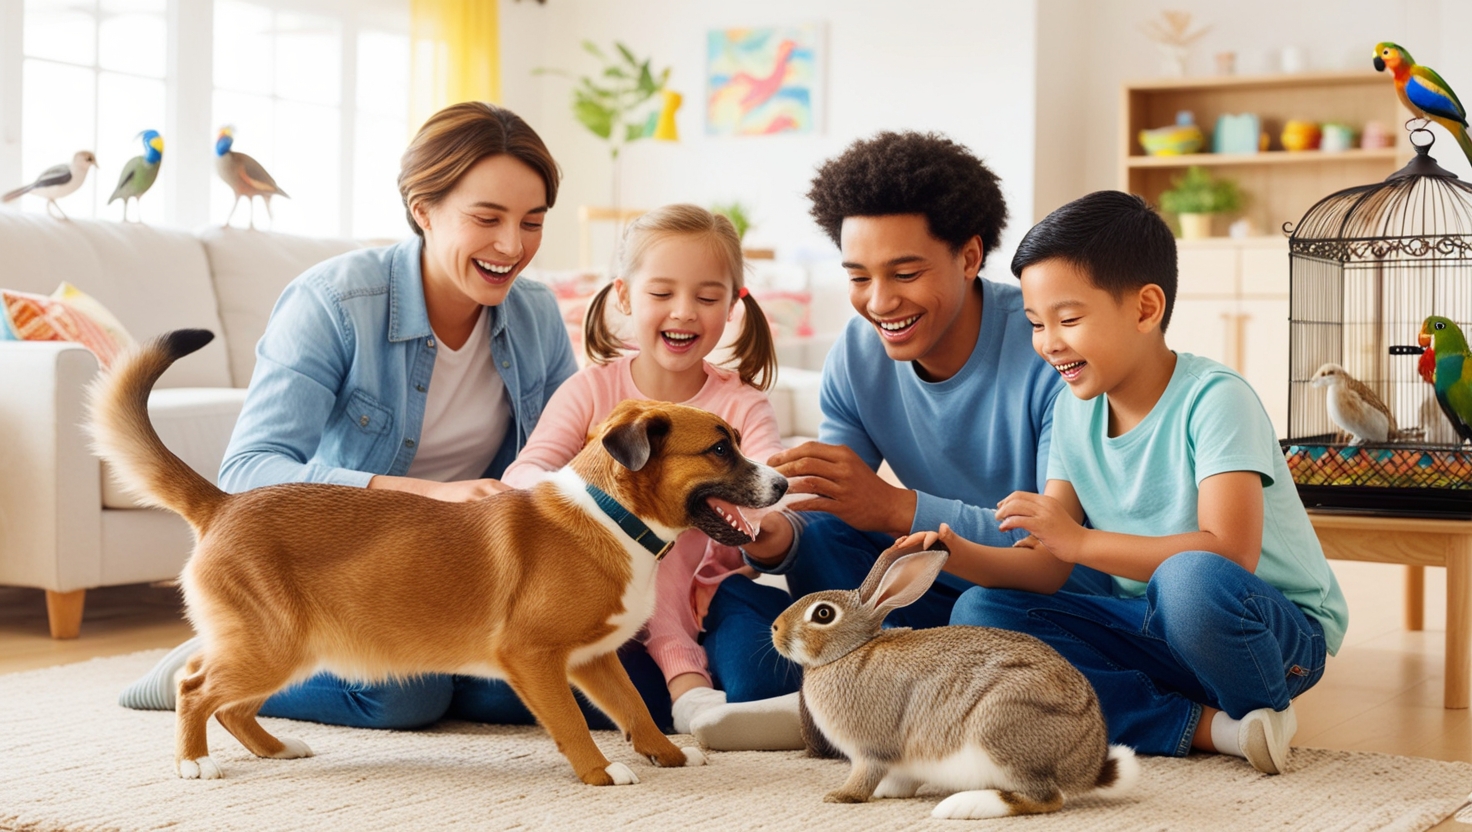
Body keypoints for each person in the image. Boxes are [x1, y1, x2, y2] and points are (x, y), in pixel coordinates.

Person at [118, 101, 589, 728]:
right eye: (487, 218)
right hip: (347, 577)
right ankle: (212, 669)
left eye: (532, 222)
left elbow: (569, 454)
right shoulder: (334, 301)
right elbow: (248, 471)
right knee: (402, 697)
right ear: (424, 210)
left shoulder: (536, 313)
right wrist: (427, 495)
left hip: (470, 576)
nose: (513, 245)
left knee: (550, 678)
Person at [903, 190, 1348, 775]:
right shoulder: (1072, 410)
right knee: (981, 611)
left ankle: (1255, 702)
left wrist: (1080, 541)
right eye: (1036, 324)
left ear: (1145, 309)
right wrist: (956, 555)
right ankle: (1212, 728)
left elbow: (1229, 553)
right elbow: (1048, 564)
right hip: (1155, 627)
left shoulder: (1216, 398)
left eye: (1068, 320)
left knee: (1189, 580)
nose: (1048, 342)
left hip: (1269, 631)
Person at [689, 131, 1065, 749]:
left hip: (1027, 596)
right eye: (858, 276)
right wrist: (775, 533)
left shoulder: (1047, 346)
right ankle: (850, 697)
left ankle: (836, 704)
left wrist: (896, 507)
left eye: (905, 273)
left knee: (985, 614)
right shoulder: (857, 355)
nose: (880, 302)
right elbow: (832, 513)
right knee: (791, 561)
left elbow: (1057, 549)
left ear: (969, 256)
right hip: (924, 593)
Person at [501, 203, 802, 742]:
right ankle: (685, 686)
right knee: (642, 537)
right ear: (624, 296)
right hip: (606, 594)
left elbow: (773, 497)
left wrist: (768, 527)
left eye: (707, 298)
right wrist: (595, 500)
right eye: (661, 293)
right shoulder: (591, 390)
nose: (684, 312)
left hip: (716, 595)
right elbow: (524, 473)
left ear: (733, 305)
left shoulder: (742, 404)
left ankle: (692, 685)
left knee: (759, 681)